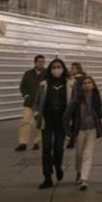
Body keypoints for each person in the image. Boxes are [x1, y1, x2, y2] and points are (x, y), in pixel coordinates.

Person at [64, 75, 102, 190]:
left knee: (87, 155)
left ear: (93, 85)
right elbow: (66, 116)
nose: (87, 85)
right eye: (85, 83)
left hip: (92, 130)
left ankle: (84, 178)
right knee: (79, 154)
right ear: (81, 86)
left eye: (89, 83)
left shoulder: (96, 98)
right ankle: (79, 171)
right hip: (79, 130)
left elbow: (99, 112)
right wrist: (67, 132)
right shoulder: (76, 100)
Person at [33, 58, 70, 188]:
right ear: (50, 69)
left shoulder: (69, 84)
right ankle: (47, 177)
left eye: (59, 67)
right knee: (47, 148)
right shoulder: (44, 84)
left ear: (63, 68)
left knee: (59, 148)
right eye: (54, 67)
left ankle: (58, 165)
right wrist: (37, 114)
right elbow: (37, 102)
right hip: (47, 120)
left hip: (61, 121)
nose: (56, 69)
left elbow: (74, 102)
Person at [16, 54, 45, 151]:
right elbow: (22, 86)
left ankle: (36, 142)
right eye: (39, 62)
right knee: (25, 121)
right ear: (35, 62)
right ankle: (23, 143)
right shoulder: (28, 73)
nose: (41, 63)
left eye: (43, 62)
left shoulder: (47, 74)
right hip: (29, 102)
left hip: (41, 103)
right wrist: (26, 95)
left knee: (40, 123)